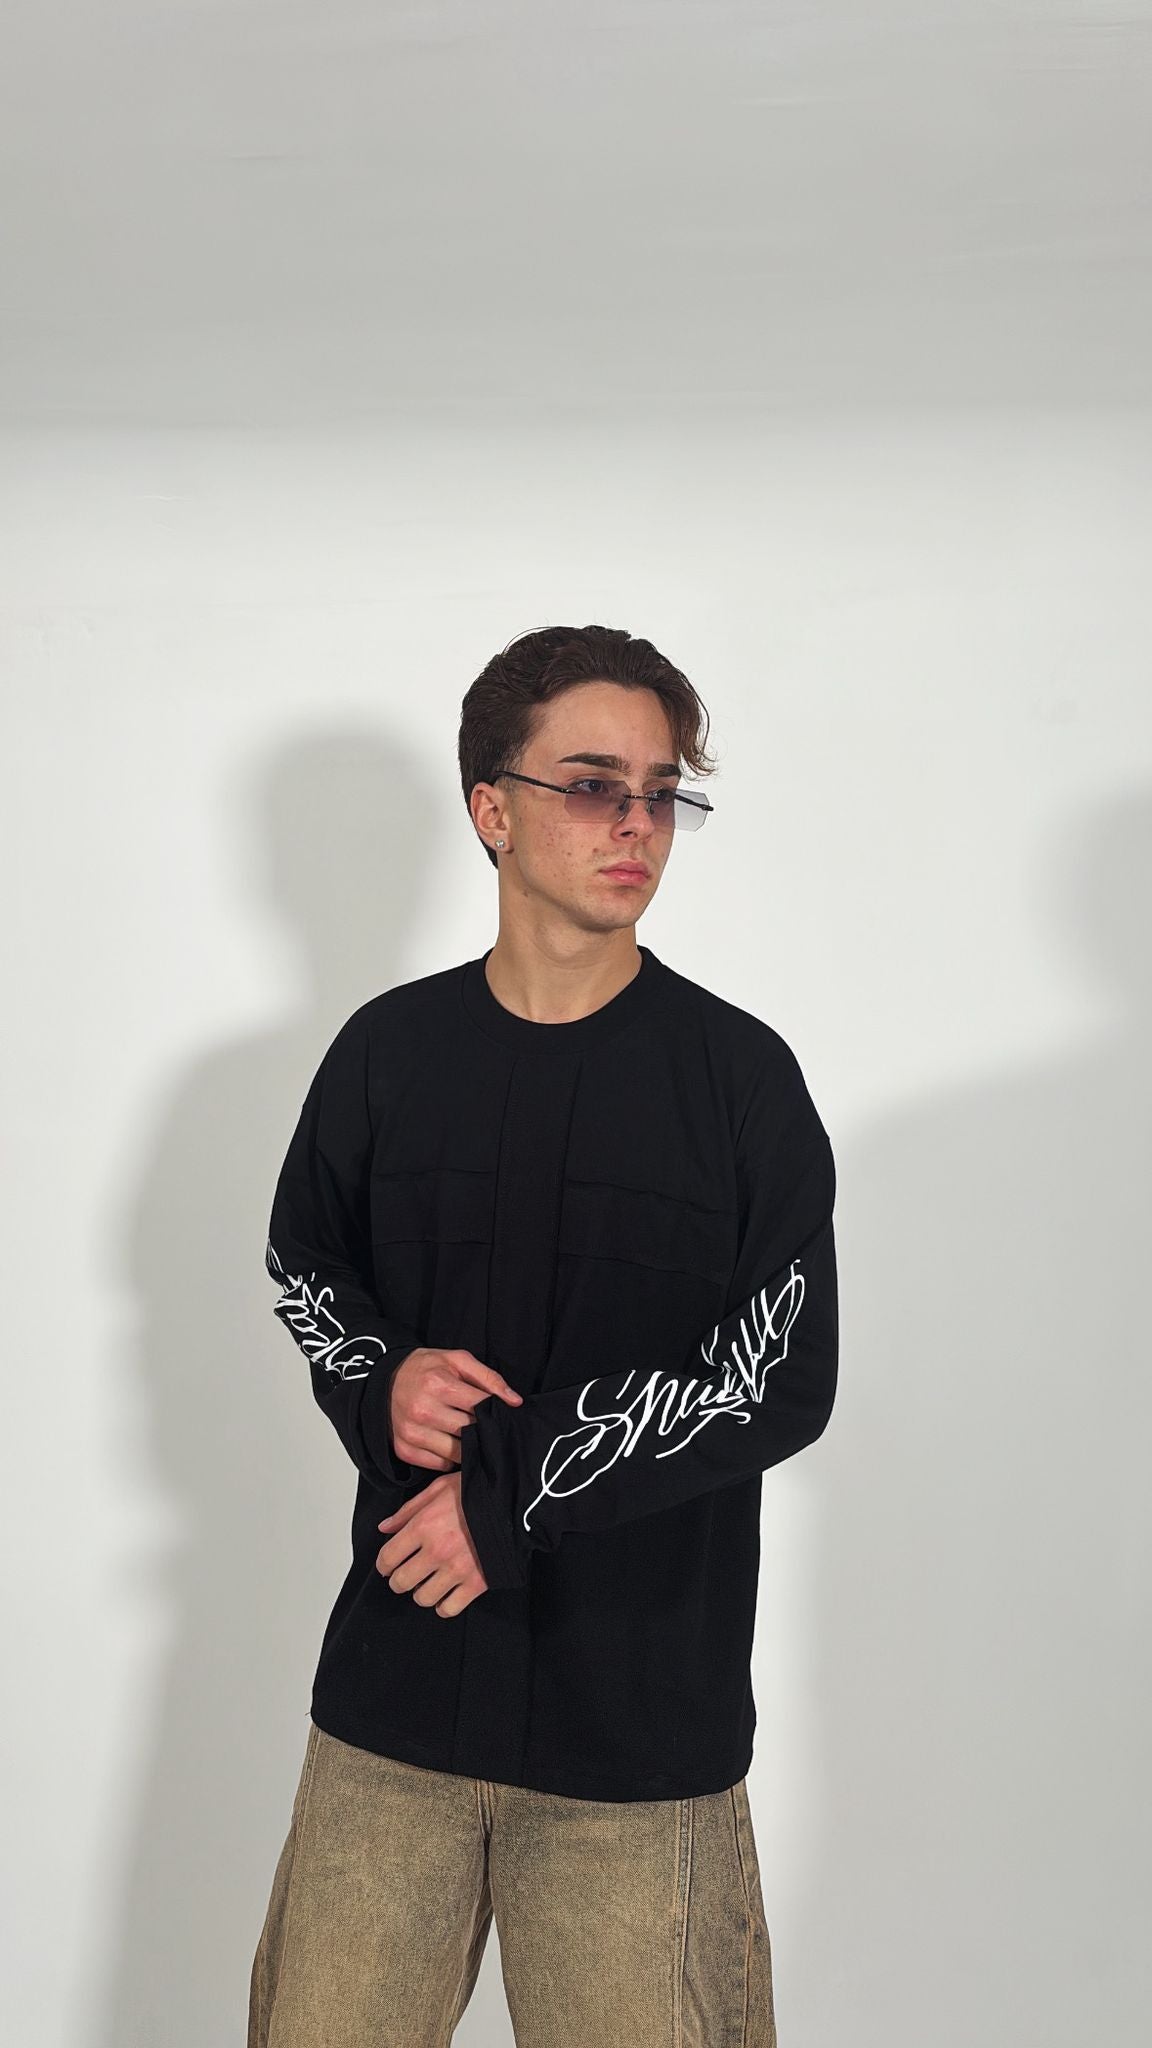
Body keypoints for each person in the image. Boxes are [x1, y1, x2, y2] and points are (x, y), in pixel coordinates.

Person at [248, 623, 839, 2048]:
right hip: (394, 1714)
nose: (637, 824)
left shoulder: (739, 1082)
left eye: (662, 792)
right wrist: (379, 1378)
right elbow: (306, 1261)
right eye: (591, 785)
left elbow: (777, 1377)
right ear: (492, 809)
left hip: (636, 1742)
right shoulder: (387, 1054)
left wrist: (503, 1499)